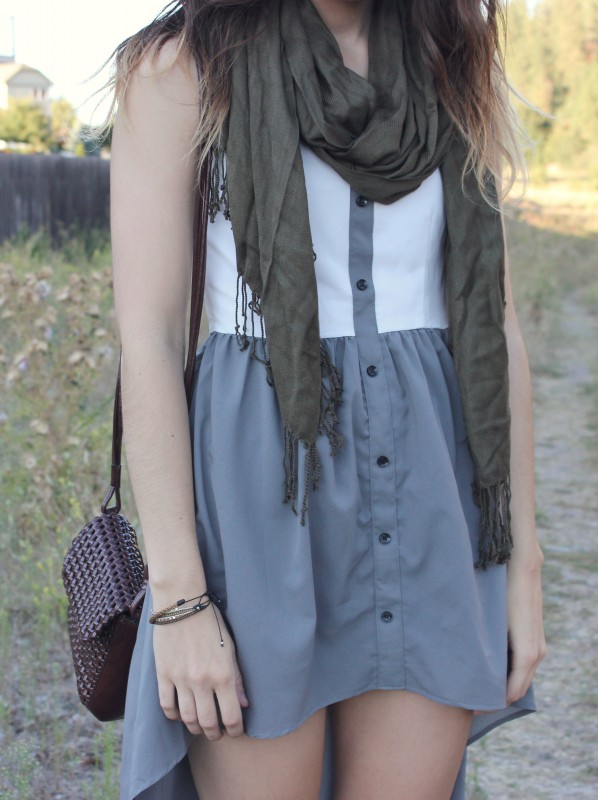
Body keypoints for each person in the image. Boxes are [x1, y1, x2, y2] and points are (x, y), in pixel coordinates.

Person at [108, 1, 546, 798]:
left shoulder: (450, 49)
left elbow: (497, 323)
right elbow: (151, 342)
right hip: (259, 512)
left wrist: (524, 568)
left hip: (431, 509)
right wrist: (179, 600)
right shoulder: (182, 66)